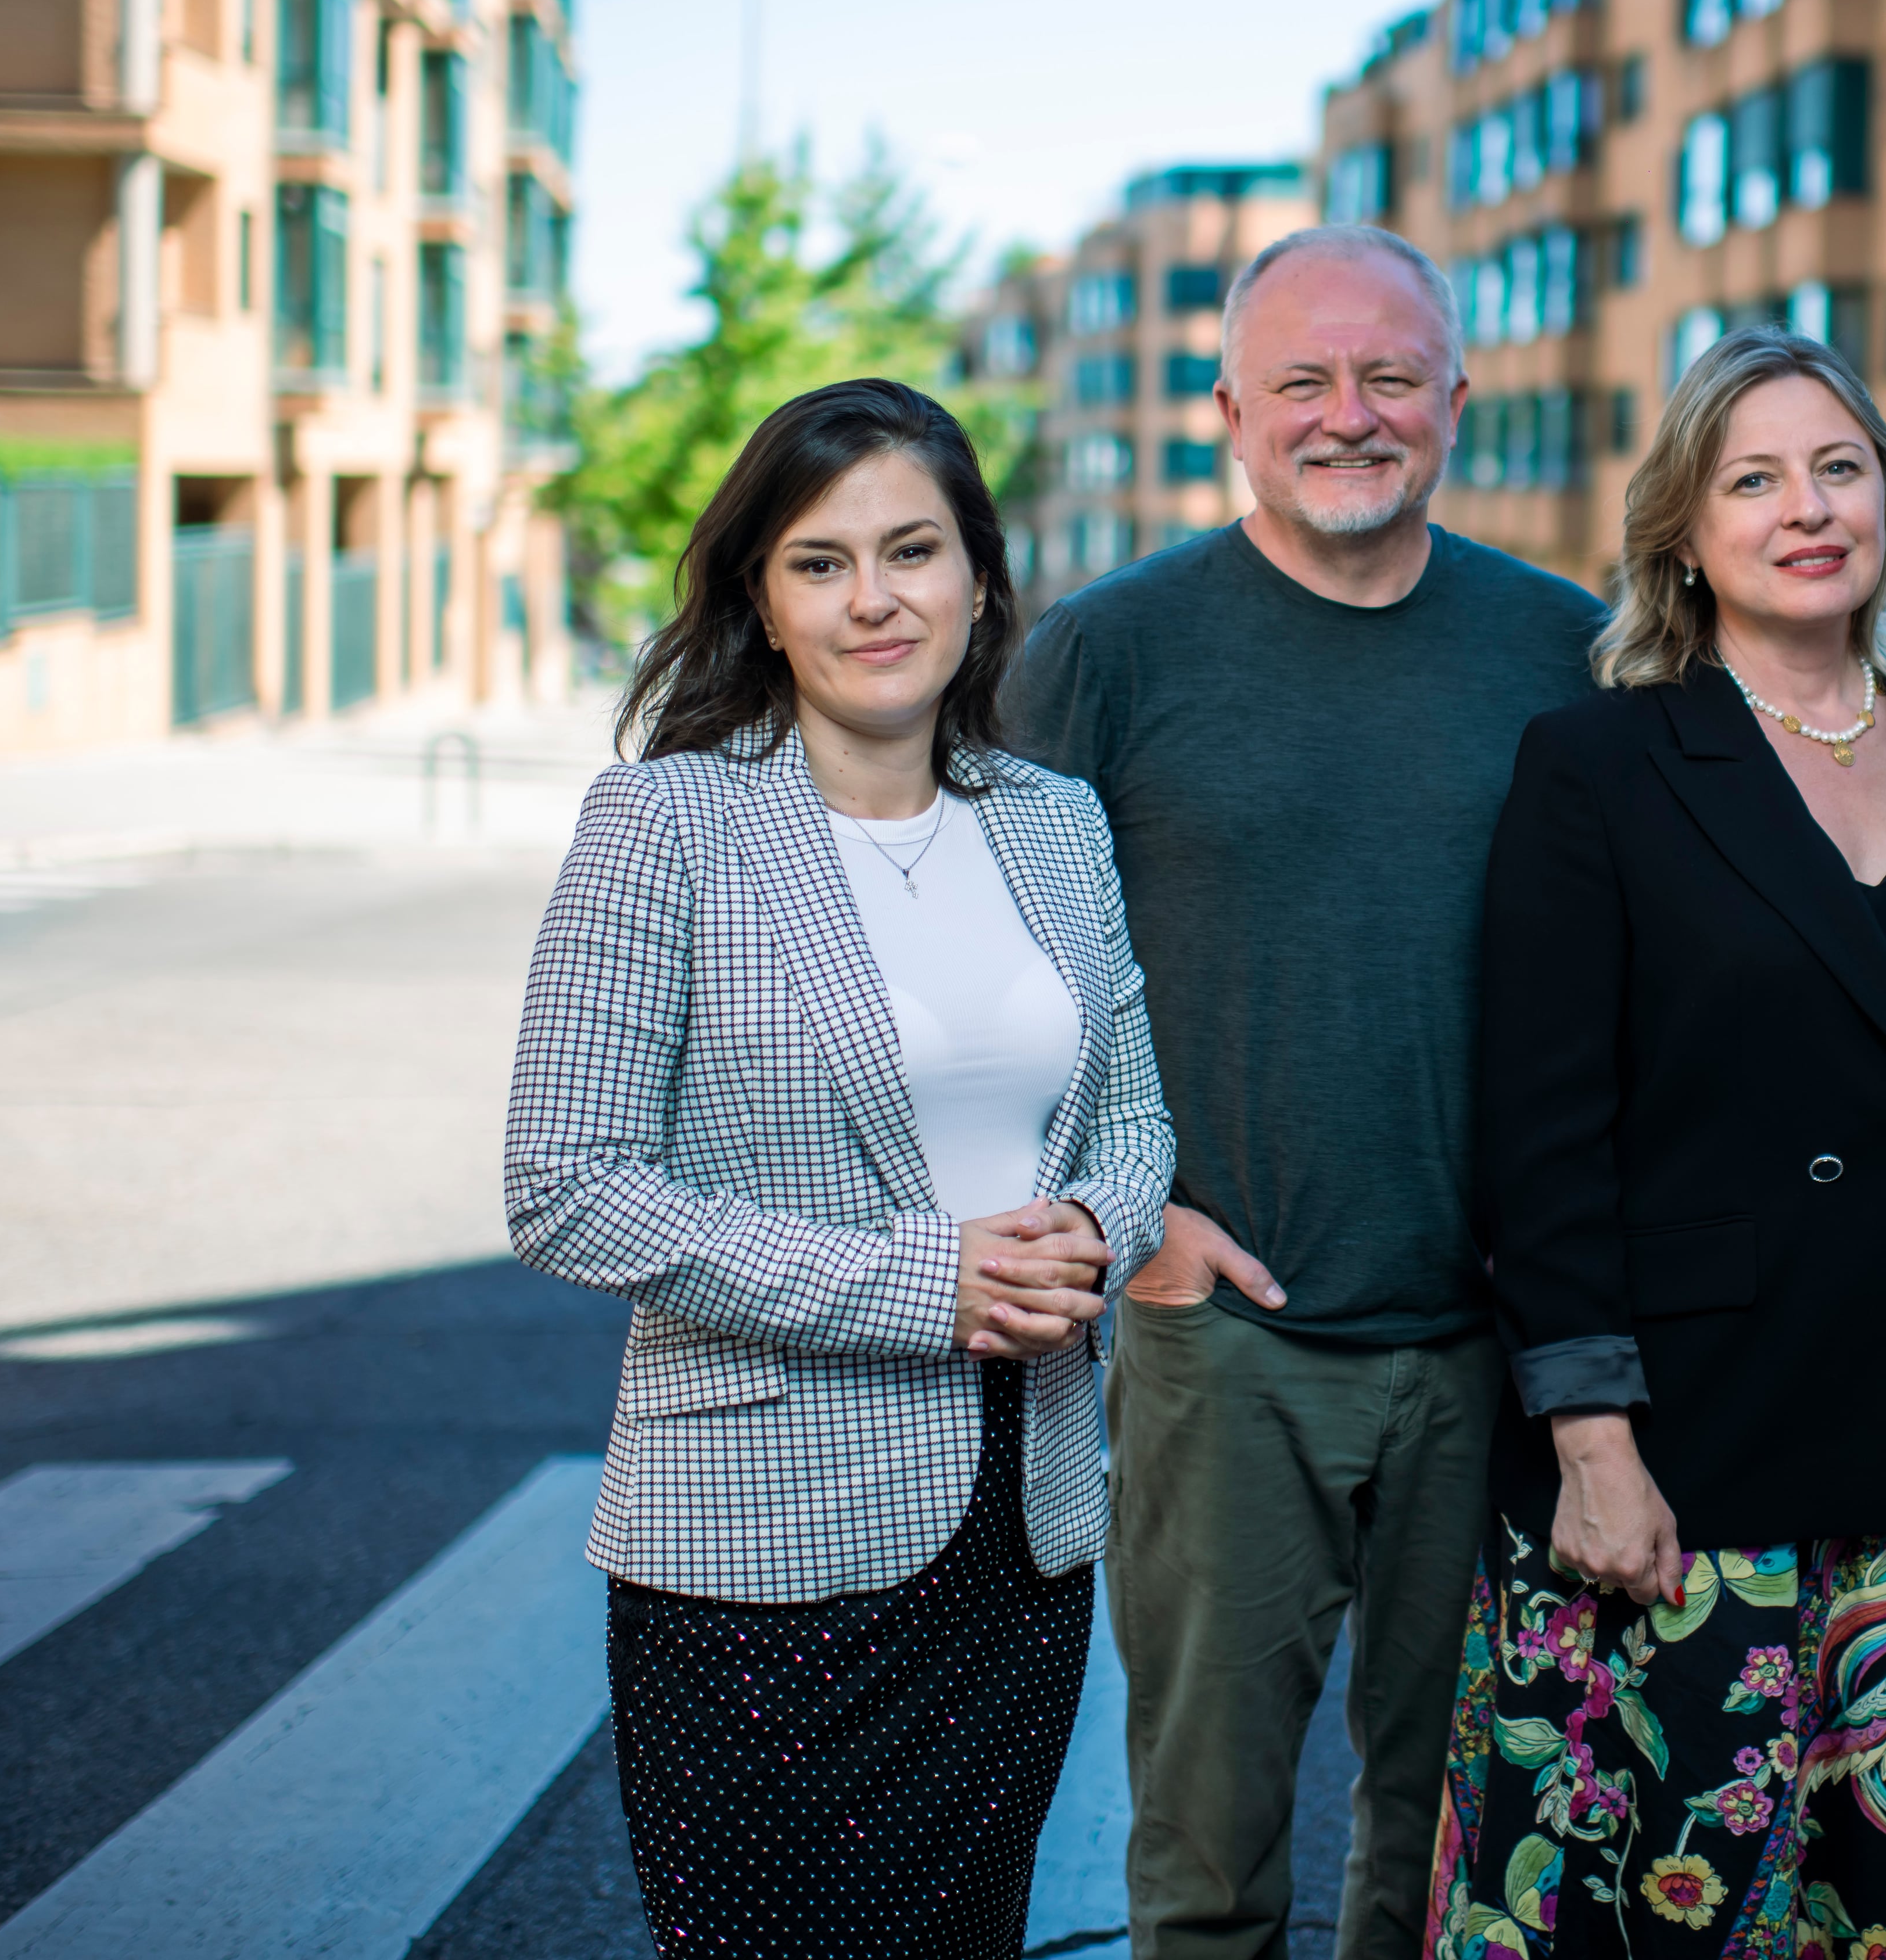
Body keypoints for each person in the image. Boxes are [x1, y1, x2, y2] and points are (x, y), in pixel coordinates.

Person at [1425, 328, 1886, 1958]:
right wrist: (1589, 1441)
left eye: (1840, 468)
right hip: (1690, 1446)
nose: (1809, 509)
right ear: (1685, 532)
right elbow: (1542, 1131)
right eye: (1757, 477)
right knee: (1669, 1900)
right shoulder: (1605, 762)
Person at [505, 378, 1175, 1960]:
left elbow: (1137, 1118)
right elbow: (567, 1182)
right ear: (762, 595)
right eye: (821, 561)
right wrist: (926, 1281)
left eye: (913, 551)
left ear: (981, 578)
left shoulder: (1055, 825)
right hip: (757, 1538)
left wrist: (1090, 1224)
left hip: (1021, 1525)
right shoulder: (663, 824)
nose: (875, 599)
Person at [1002, 225, 1607, 1958]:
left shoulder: (1563, 654)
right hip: (1226, 1345)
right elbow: (1005, 975)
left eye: (1390, 377)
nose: (1350, 415)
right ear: (1230, 413)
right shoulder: (1109, 653)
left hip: (1499, 1348)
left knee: (1454, 1853)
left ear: (1455, 402)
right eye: (1303, 383)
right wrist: (1143, 1231)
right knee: (1209, 1858)